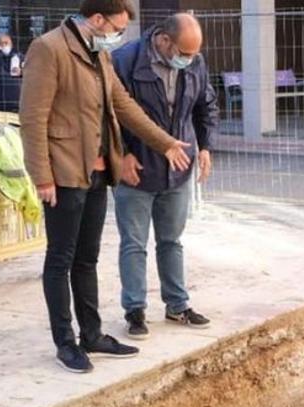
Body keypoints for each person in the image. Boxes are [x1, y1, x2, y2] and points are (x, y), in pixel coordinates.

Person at [20, 0, 192, 374]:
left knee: (87, 258)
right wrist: (42, 176)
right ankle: (65, 343)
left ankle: (92, 334)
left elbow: (124, 105)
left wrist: (165, 142)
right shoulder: (49, 49)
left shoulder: (99, 54)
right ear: (97, 19)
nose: (118, 36)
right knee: (60, 259)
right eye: (116, 28)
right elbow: (32, 117)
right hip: (64, 173)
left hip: (98, 171)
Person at [112, 13, 217, 340]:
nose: (190, 60)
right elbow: (108, 113)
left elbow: (205, 105)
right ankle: (135, 310)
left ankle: (177, 304)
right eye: (184, 53)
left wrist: (205, 147)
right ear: (164, 40)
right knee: (134, 243)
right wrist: (122, 154)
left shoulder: (195, 62)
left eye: (194, 54)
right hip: (137, 168)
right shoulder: (126, 60)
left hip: (178, 168)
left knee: (171, 241)